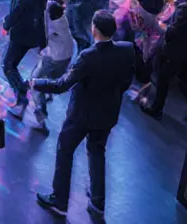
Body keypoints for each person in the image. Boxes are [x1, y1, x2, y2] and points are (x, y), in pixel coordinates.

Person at [34, 11, 137, 219]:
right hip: (108, 113)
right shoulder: (127, 50)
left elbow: (63, 85)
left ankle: (60, 200)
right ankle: (98, 203)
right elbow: (126, 81)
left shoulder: (88, 56)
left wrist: (37, 83)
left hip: (81, 115)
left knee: (65, 151)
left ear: (94, 30)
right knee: (97, 153)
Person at [1, 0, 46, 119]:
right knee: (12, 64)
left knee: (7, 65)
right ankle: (21, 93)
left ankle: (21, 94)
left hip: (20, 35)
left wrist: (6, 25)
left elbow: (15, 12)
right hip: (33, 35)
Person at [30, 0, 75, 131]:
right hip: (65, 57)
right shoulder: (62, 19)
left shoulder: (53, 24)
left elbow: (42, 36)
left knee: (35, 82)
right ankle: (48, 92)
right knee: (50, 77)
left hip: (54, 58)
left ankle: (41, 117)